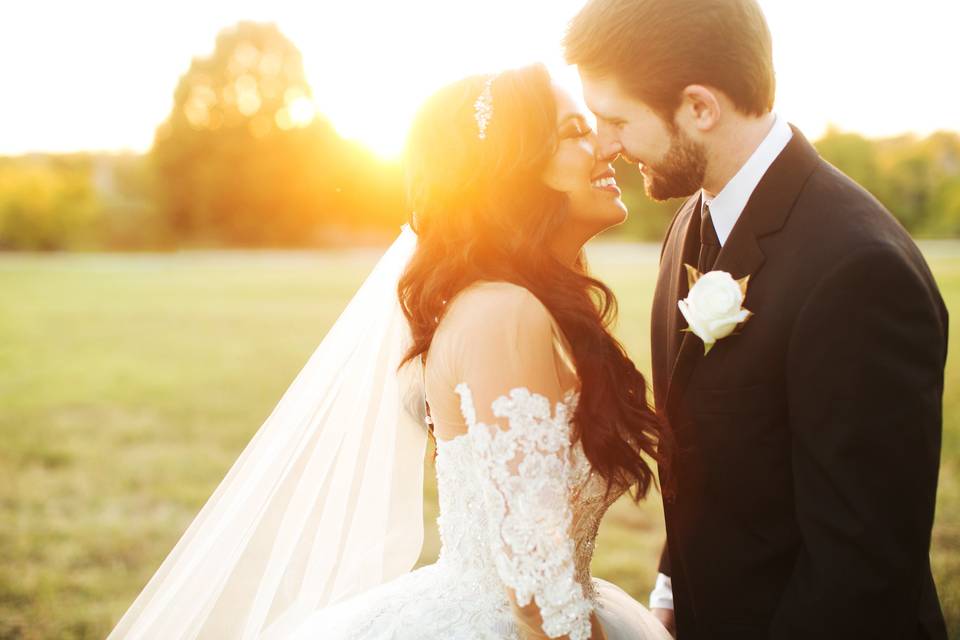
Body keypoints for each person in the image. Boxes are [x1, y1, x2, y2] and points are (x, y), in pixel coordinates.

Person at [108, 63, 673, 640]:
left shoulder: (523, 306)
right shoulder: (502, 313)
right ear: (512, 168)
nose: (607, 145)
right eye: (576, 131)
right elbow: (535, 593)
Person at [564, 1, 949, 638]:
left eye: (616, 119)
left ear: (700, 107)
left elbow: (861, 567)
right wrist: (671, 589)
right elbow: (711, 462)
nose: (604, 143)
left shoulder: (858, 271)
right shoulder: (690, 222)